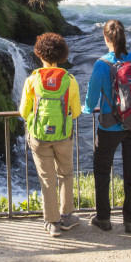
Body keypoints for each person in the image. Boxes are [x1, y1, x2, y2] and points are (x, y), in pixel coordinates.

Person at [83, 19, 131, 234]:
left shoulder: (102, 64)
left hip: (110, 127)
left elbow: (92, 100)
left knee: (102, 171)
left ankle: (104, 219)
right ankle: (130, 221)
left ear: (106, 38)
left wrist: (84, 109)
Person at [19, 33, 82, 237]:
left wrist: (36, 120)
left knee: (47, 178)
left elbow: (23, 112)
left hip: (39, 136)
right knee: (66, 174)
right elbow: (77, 111)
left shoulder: (32, 80)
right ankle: (67, 217)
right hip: (64, 135)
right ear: (62, 55)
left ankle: (52, 222)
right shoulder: (70, 80)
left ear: (39, 54)